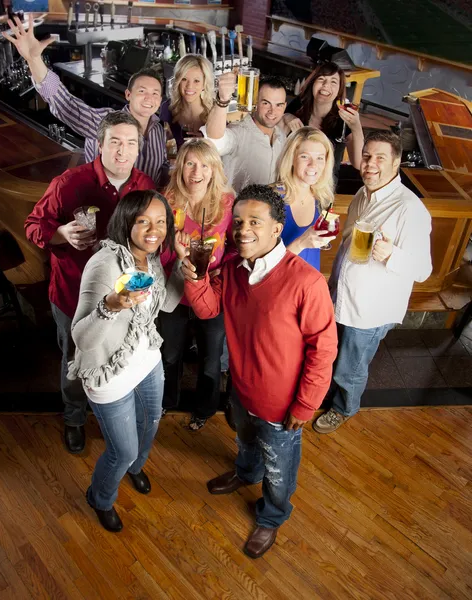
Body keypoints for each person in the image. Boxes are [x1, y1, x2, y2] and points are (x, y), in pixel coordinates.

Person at [182, 184, 337, 558]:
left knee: (280, 468)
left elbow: (324, 349)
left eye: (254, 221)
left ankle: (271, 516)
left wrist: (306, 404)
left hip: (282, 402)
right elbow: (207, 309)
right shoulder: (234, 270)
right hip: (241, 387)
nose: (243, 229)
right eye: (238, 222)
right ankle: (245, 474)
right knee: (246, 442)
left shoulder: (306, 282)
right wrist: (194, 277)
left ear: (276, 229)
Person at [25, 111, 155, 455]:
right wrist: (60, 233)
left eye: (130, 143)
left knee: (118, 353)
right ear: (99, 145)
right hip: (73, 294)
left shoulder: (145, 187)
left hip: (125, 297)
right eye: (114, 142)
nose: (122, 151)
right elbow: (34, 225)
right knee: (75, 358)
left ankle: (109, 412)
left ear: (139, 149)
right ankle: (74, 417)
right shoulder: (69, 182)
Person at [68, 190, 186, 532]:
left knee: (149, 428)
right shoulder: (103, 265)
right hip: (107, 371)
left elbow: (165, 306)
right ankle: (100, 498)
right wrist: (111, 307)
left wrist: (182, 268)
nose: (155, 229)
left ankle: (136, 467)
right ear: (126, 222)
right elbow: (81, 338)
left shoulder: (150, 258)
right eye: (144, 221)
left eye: (161, 221)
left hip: (147, 360)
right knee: (121, 451)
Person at [313, 130, 432, 434]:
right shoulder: (362, 194)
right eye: (367, 156)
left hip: (370, 309)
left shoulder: (410, 209)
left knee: (351, 366)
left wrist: (392, 254)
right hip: (343, 294)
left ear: (397, 163)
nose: (370, 164)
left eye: (380, 158)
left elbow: (423, 270)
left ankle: (344, 408)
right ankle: (330, 395)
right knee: (336, 354)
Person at [4, 14, 168, 184]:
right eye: (142, 91)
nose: (149, 97)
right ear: (128, 95)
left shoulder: (158, 130)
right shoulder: (105, 122)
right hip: (107, 205)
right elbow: (65, 104)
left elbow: (160, 167)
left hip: (148, 207)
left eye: (155, 93)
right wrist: (34, 60)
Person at [160, 138, 235, 430]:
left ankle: (205, 408)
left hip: (210, 293)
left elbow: (235, 247)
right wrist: (174, 253)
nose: (196, 171)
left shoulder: (227, 203)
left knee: (210, 359)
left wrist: (222, 270)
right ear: (180, 167)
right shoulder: (167, 201)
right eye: (190, 163)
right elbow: (156, 248)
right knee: (170, 354)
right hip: (175, 291)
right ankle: (167, 401)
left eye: (204, 164)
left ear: (214, 169)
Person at [201, 74, 287, 191]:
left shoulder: (282, 137)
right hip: (236, 208)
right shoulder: (239, 132)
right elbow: (215, 140)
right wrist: (222, 100)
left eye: (279, 105)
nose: (272, 111)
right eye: (266, 103)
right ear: (255, 102)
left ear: (285, 106)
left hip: (271, 208)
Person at [283, 62, 364, 175]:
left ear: (339, 90)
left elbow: (358, 163)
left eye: (333, 82)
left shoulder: (342, 119)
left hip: (324, 185)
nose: (326, 85)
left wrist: (356, 127)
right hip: (292, 178)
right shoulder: (299, 105)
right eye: (321, 79)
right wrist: (286, 116)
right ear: (312, 83)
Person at [273, 127, 336, 270]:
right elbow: (259, 265)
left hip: (309, 287)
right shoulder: (270, 198)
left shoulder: (324, 199)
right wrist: (301, 243)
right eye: (304, 156)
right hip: (279, 287)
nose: (313, 165)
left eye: (320, 158)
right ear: (292, 159)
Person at [160, 54, 214, 149]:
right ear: (178, 81)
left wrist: (207, 142)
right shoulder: (167, 108)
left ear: (204, 84)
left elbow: (225, 149)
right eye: (184, 79)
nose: (189, 86)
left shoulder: (215, 111)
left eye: (196, 81)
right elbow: (163, 147)